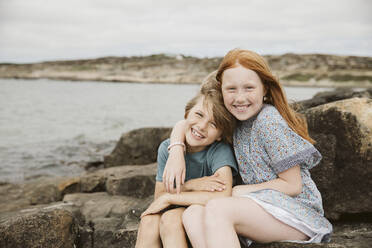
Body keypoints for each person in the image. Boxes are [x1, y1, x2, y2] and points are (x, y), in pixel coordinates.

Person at [162, 49, 333, 247]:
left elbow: (293, 185)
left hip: (296, 213)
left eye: (249, 88)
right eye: (231, 89)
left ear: (265, 89)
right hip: (261, 207)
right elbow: (187, 121)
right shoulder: (234, 120)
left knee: (219, 208)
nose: (240, 98)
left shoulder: (268, 121)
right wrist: (176, 150)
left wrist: (240, 190)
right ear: (221, 90)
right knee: (192, 213)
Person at [135, 73, 239, 248]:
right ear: (186, 114)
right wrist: (191, 184)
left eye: (213, 124)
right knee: (148, 221)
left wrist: (171, 197)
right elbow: (159, 197)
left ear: (221, 135)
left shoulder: (218, 151)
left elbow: (223, 194)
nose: (201, 126)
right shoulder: (167, 148)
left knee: (171, 219)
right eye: (198, 115)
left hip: (200, 210)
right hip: (179, 202)